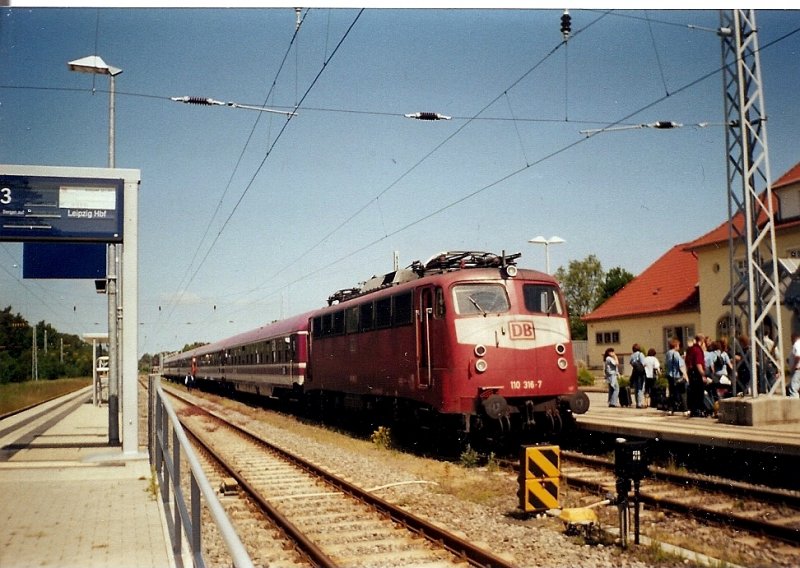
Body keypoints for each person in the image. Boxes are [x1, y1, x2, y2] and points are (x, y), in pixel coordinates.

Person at [685, 334, 707, 417]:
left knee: (693, 392)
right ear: (701, 341)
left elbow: (687, 361)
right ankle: (699, 410)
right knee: (699, 392)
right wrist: (703, 374)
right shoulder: (698, 350)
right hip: (697, 374)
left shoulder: (690, 349)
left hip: (690, 373)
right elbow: (698, 364)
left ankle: (693, 410)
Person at [665, 338, 688, 415]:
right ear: (676, 345)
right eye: (678, 345)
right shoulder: (676, 353)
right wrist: (685, 375)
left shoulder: (668, 353)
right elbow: (680, 365)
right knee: (682, 392)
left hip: (670, 375)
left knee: (672, 393)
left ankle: (670, 409)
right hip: (677, 375)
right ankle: (685, 410)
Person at [629, 344, 646, 408]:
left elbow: (630, 362)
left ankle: (637, 402)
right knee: (640, 388)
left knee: (636, 388)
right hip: (640, 373)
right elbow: (643, 364)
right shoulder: (640, 354)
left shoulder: (632, 355)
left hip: (634, 373)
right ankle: (639, 403)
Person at [788, 333, 800, 399]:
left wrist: (794, 367)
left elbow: (798, 356)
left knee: (793, 389)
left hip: (797, 370)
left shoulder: (797, 344)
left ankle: (796, 406)